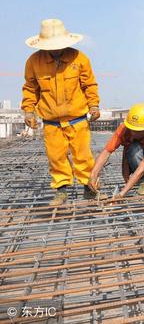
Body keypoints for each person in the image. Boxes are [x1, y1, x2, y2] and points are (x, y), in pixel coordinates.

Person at [21, 19, 103, 206]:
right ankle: (61, 191)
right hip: (51, 122)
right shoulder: (34, 62)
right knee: (56, 157)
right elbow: (30, 88)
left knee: (83, 156)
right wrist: (28, 111)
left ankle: (90, 189)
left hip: (77, 119)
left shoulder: (79, 59)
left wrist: (94, 106)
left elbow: (89, 84)